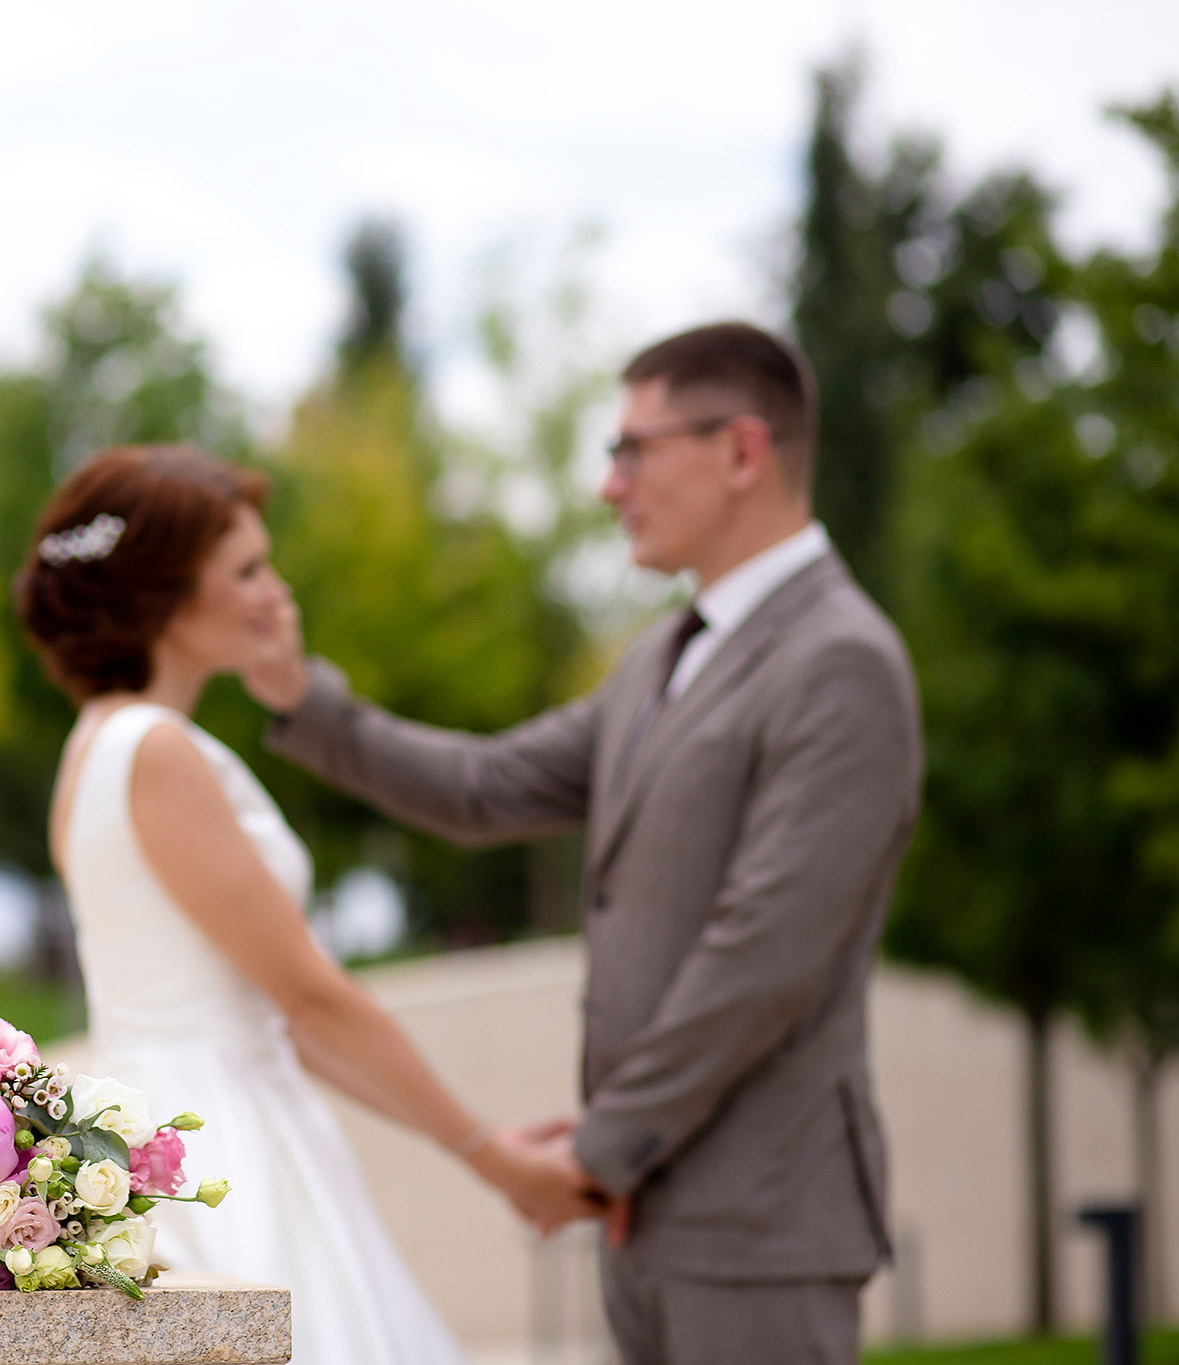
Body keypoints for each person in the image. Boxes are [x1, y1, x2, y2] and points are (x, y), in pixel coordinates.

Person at [242, 322, 922, 1365]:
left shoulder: (841, 663)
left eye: (632, 449)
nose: (610, 486)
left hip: (760, 1222)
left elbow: (762, 956)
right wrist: (300, 698)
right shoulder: (661, 653)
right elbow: (482, 786)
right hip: (645, 1216)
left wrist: (598, 1154)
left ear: (740, 451)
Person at [14, 445, 590, 1365]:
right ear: (165, 593)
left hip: (160, 1121)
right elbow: (311, 999)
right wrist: (492, 1155)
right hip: (216, 1147)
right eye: (246, 569)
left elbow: (296, 1023)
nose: (273, 592)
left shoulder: (90, 748)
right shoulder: (159, 750)